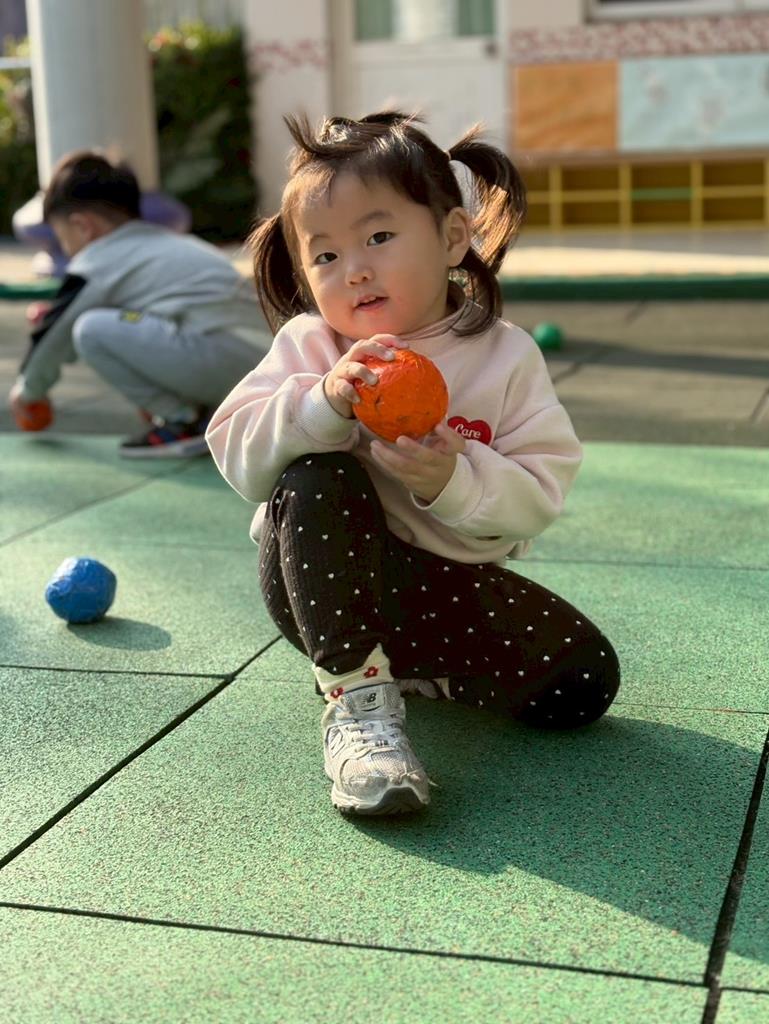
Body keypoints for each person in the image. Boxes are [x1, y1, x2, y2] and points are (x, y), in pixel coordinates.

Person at [206, 111, 621, 816]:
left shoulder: (503, 355)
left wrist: (453, 480)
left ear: (453, 237)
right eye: (326, 256)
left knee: (582, 680)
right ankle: (358, 702)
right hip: (319, 584)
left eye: (378, 237)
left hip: (438, 589)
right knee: (318, 474)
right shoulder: (312, 345)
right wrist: (321, 406)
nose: (356, 269)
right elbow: (239, 459)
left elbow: (539, 493)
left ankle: (419, 675)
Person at [9, 150, 270, 457]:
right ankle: (203, 413)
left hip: (224, 360)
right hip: (264, 363)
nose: (67, 250)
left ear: (82, 226)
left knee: (89, 329)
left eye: (62, 238)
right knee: (117, 320)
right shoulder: (168, 243)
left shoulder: (95, 260)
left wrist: (27, 393)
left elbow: (56, 333)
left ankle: (183, 420)